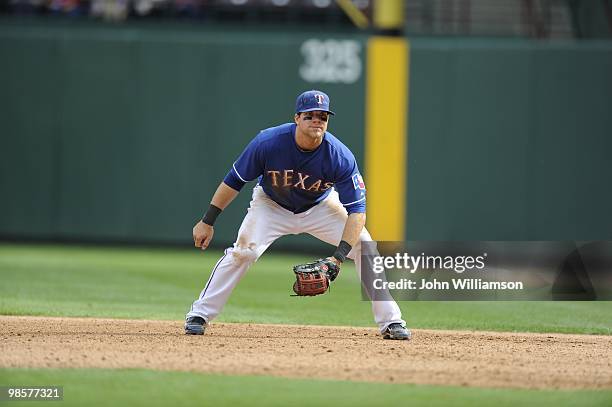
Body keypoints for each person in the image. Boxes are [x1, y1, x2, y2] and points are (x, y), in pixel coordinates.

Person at [185, 90, 410, 340]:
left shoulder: (339, 155)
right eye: (310, 115)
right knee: (243, 252)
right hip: (271, 205)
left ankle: (391, 321)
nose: (317, 121)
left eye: (323, 116)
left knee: (365, 247)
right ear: (297, 118)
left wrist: (337, 258)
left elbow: (357, 211)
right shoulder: (268, 142)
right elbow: (234, 181)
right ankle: (200, 314)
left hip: (320, 208)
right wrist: (207, 221)